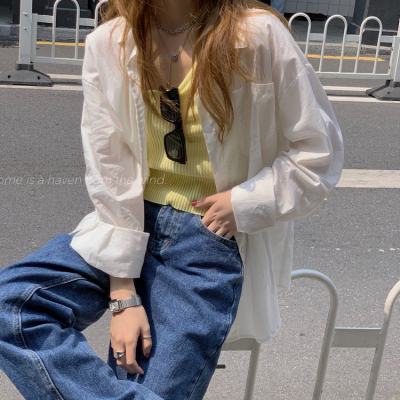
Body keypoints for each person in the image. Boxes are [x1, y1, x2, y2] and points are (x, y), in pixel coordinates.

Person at [0, 0, 344, 399]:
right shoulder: (110, 42)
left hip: (204, 236)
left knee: (150, 383)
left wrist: (245, 204)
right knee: (12, 307)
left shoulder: (255, 35)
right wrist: (122, 292)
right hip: (125, 222)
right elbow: (110, 167)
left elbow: (317, 151)